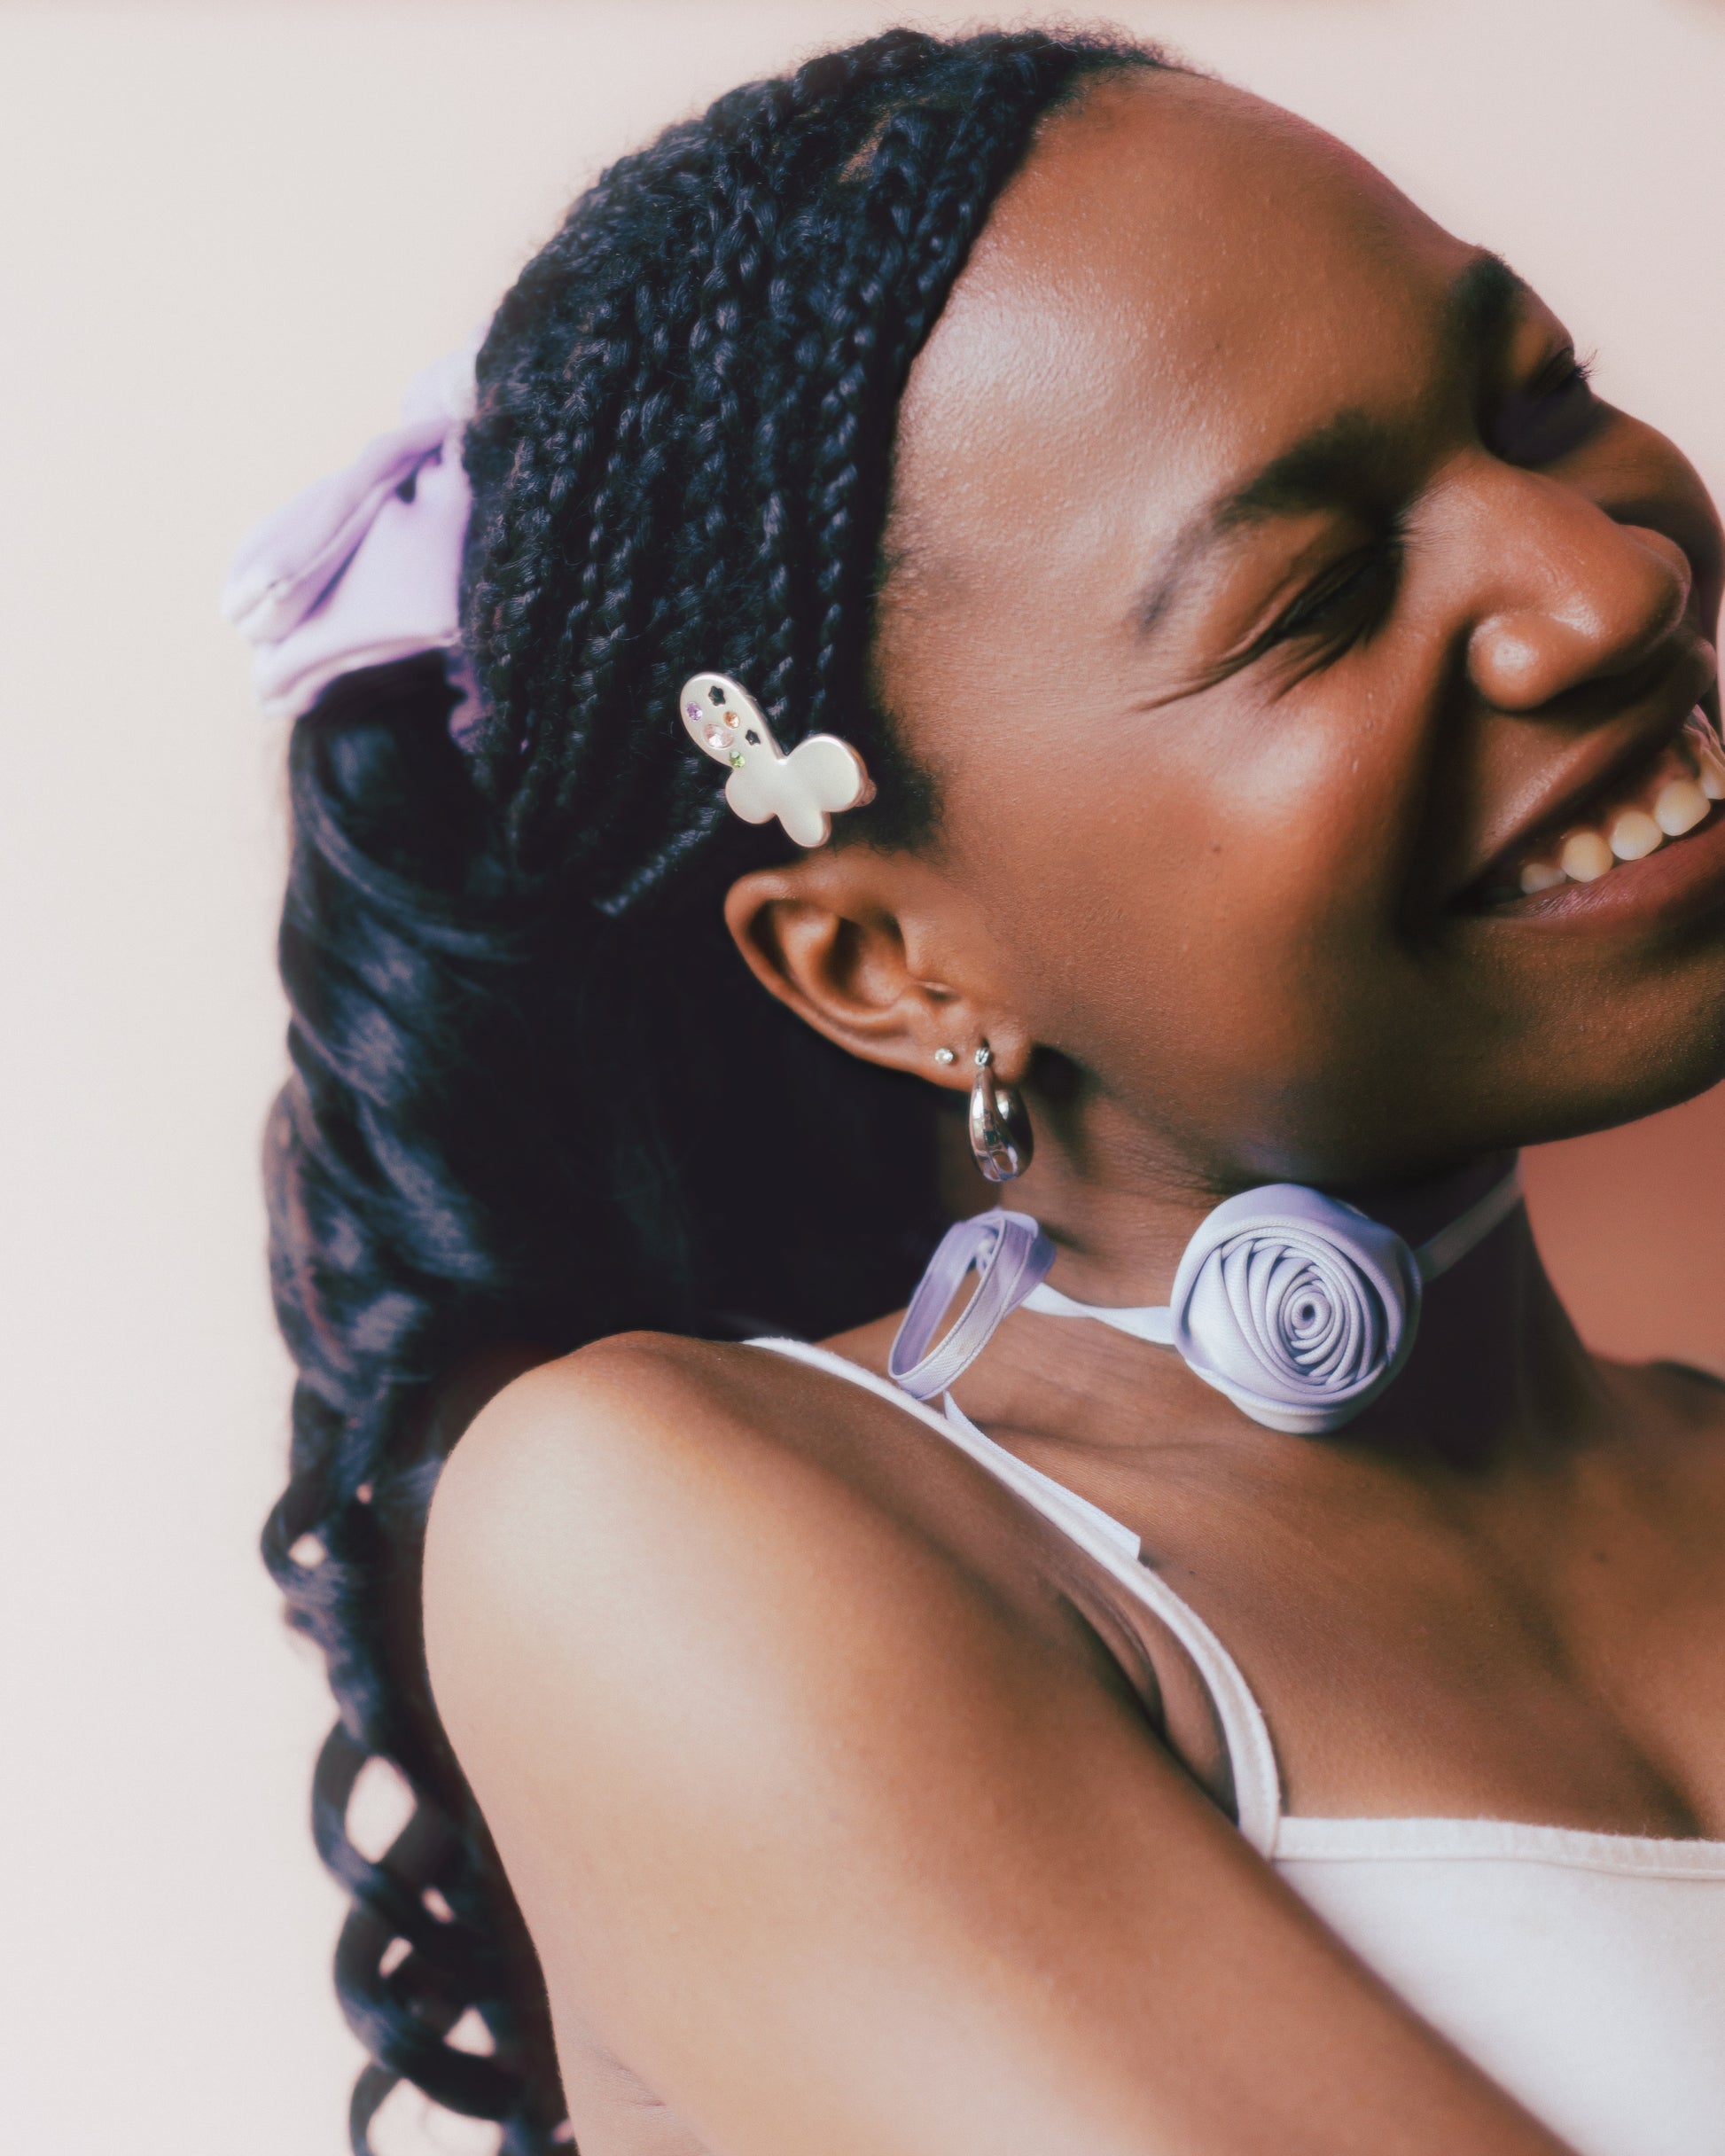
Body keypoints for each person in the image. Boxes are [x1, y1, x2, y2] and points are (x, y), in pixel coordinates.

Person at [231, 26, 1725, 2156]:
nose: (1608, 581)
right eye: (1313, 598)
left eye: (1537, 398)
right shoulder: (665, 1538)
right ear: (891, 965)